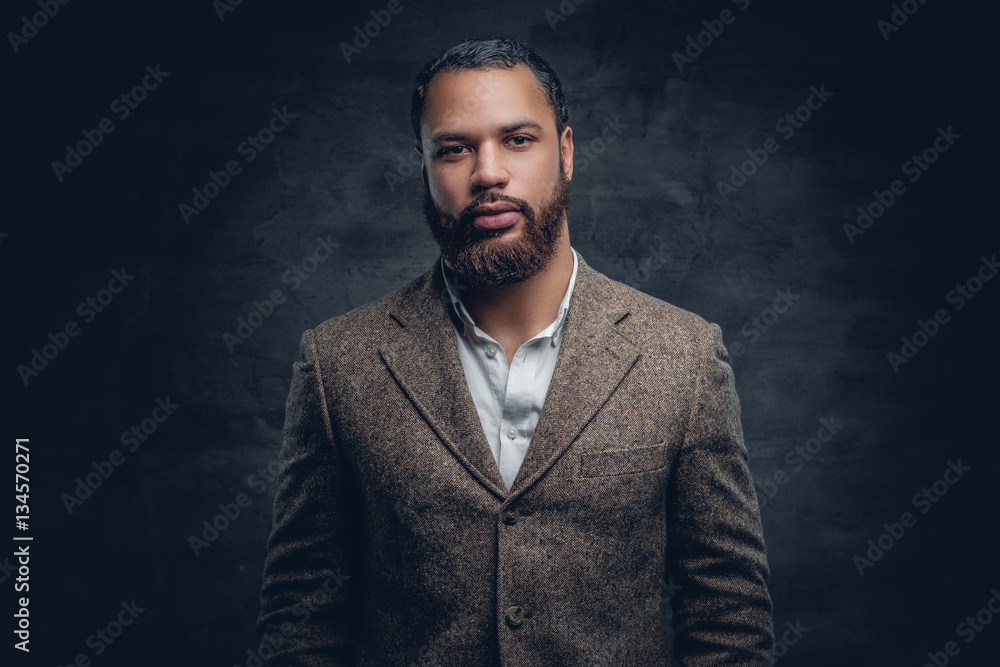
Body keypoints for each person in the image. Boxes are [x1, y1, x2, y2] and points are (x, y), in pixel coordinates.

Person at [257, 36, 774, 665]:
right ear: (423, 166)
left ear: (566, 152)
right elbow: (302, 621)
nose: (489, 173)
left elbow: (726, 615)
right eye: (455, 149)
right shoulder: (339, 364)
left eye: (518, 140)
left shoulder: (683, 356)